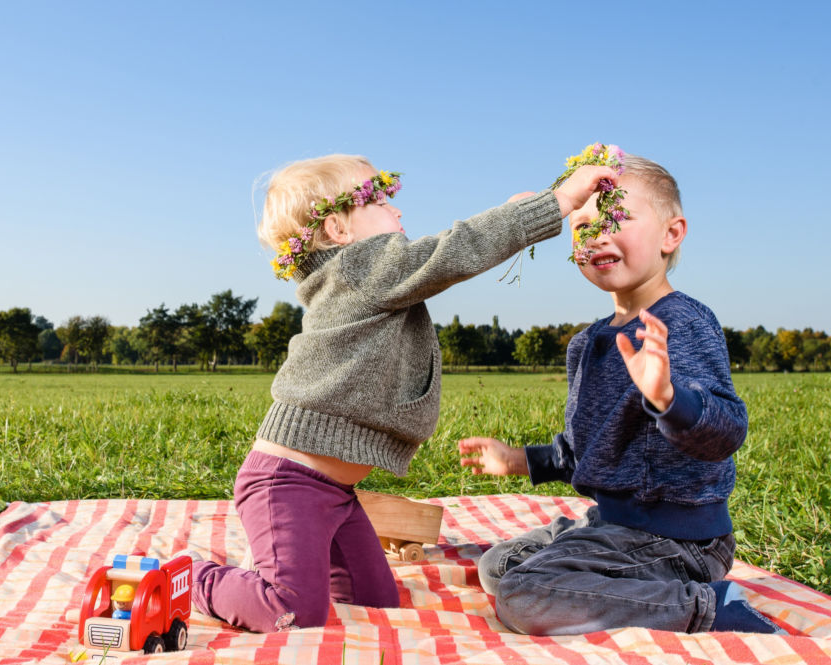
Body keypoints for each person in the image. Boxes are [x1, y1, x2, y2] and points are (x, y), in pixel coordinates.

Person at [189, 153, 617, 633]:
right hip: (287, 484)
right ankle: (193, 579)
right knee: (290, 610)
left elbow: (458, 249)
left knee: (376, 601)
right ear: (338, 230)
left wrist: (522, 213)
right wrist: (556, 202)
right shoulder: (358, 269)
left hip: (335, 491)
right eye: (379, 198)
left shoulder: (365, 277)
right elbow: (455, 251)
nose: (396, 210)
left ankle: (285, 562)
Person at [459, 154, 784, 636]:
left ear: (671, 234)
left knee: (523, 595)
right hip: (612, 526)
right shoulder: (588, 344)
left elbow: (726, 431)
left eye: (617, 217)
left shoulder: (680, 323)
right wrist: (521, 460)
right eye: (584, 225)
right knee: (498, 566)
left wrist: (669, 397)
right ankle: (603, 571)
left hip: (677, 538)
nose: (597, 234)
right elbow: (587, 452)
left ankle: (709, 607)